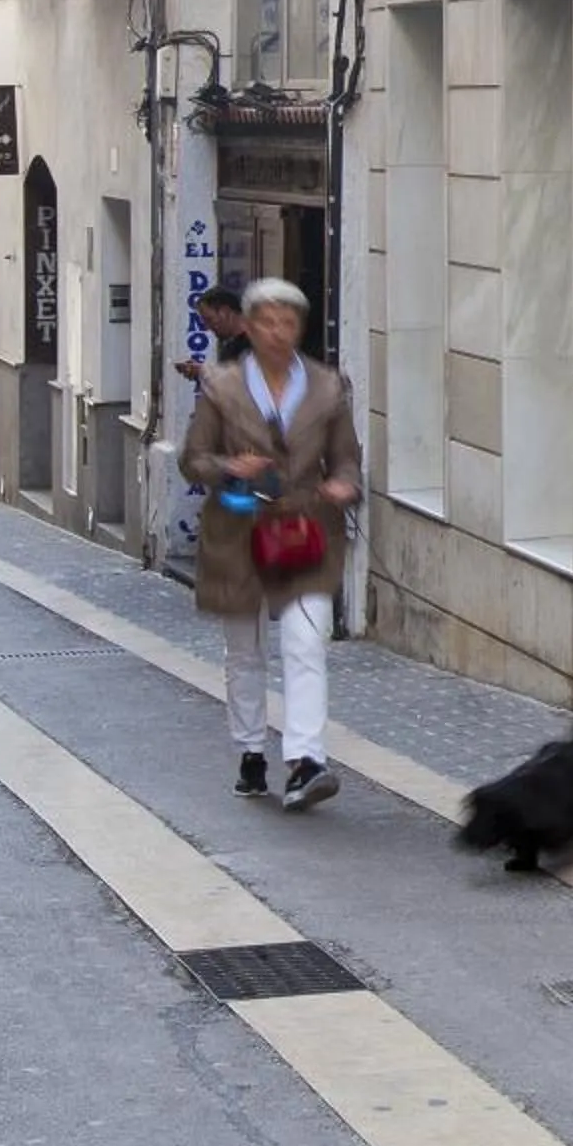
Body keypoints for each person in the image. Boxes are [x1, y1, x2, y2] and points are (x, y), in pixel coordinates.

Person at [177, 276, 361, 810]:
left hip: (306, 530)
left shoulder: (329, 387)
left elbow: (348, 454)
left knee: (305, 643)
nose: (279, 332)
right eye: (268, 322)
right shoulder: (221, 385)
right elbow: (194, 458)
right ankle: (252, 751)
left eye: (289, 322)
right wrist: (230, 465)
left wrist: (344, 482)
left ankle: (306, 760)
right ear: (251, 328)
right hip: (238, 531)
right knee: (246, 650)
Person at [173, 285, 247, 386]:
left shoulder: (256, 345)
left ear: (225, 312)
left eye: (209, 319)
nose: (207, 327)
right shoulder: (230, 348)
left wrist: (204, 373)